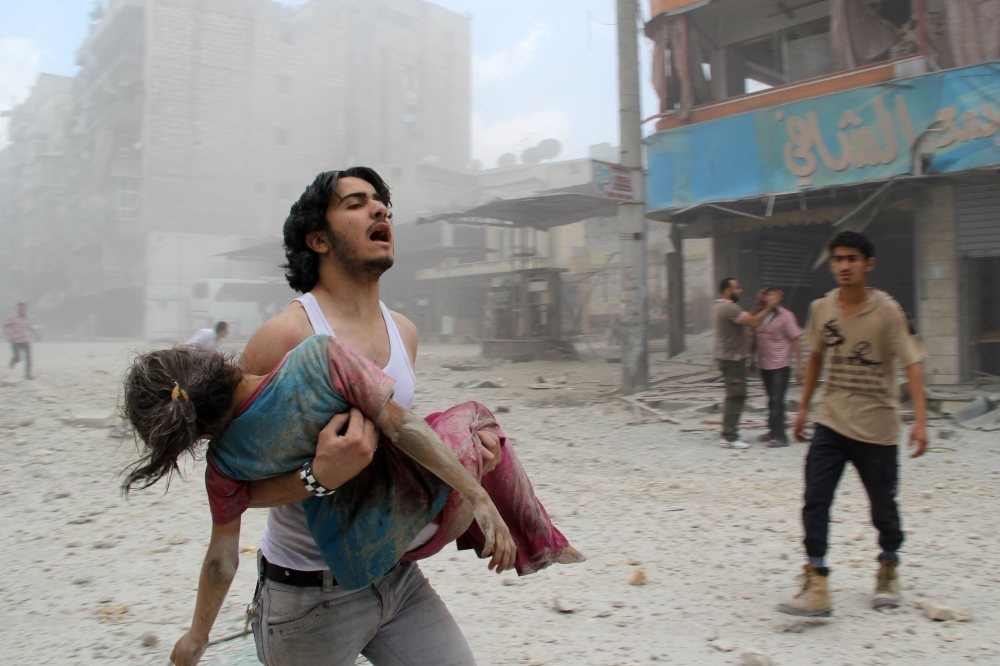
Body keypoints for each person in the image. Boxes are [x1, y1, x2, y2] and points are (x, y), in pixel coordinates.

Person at [190, 167, 508, 665]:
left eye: (382, 203)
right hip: (306, 598)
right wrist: (318, 478)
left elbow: (397, 443)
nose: (380, 210)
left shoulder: (404, 332)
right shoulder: (285, 337)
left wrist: (468, 462)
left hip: (394, 574)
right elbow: (234, 488)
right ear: (318, 238)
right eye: (357, 203)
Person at [121, 335, 582, 665]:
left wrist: (196, 638)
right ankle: (539, 542)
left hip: (375, 577)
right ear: (211, 360)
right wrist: (478, 497)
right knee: (471, 418)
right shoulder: (318, 358)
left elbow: (222, 560)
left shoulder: (222, 466)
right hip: (343, 584)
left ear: (193, 431)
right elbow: (403, 426)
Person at [778, 231, 927, 617]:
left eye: (852, 259)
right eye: (838, 259)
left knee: (882, 506)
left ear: (868, 264)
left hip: (877, 427)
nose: (844, 266)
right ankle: (816, 580)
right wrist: (803, 408)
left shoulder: (889, 311)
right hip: (832, 421)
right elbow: (815, 358)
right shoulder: (822, 309)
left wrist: (921, 421)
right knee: (816, 497)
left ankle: (889, 565)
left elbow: (912, 363)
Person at [714, 278, 779, 449]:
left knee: (735, 395)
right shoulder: (728, 307)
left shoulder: (726, 307)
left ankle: (730, 434)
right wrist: (769, 306)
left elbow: (748, 318)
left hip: (731, 358)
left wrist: (759, 304)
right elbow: (754, 322)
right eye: (737, 287)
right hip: (732, 359)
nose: (741, 290)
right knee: (736, 396)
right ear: (728, 290)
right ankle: (729, 436)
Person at [750, 288, 803, 447]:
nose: (771, 298)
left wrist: (801, 365)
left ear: (780, 297)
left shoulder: (786, 316)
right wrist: (752, 358)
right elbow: (753, 336)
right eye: (767, 295)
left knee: (777, 400)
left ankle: (781, 437)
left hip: (781, 365)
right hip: (764, 365)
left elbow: (796, 340)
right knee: (771, 400)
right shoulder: (760, 315)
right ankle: (772, 431)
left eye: (775, 295)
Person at [5, 302, 38, 380]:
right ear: (17, 309)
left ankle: (28, 375)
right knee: (18, 358)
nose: (22, 310)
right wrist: (10, 335)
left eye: (23, 309)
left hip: (25, 340)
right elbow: (5, 326)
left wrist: (36, 333)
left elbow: (28, 326)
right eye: (20, 309)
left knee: (29, 358)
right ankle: (14, 360)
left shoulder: (26, 318)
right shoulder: (12, 317)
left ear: (25, 309)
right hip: (15, 341)